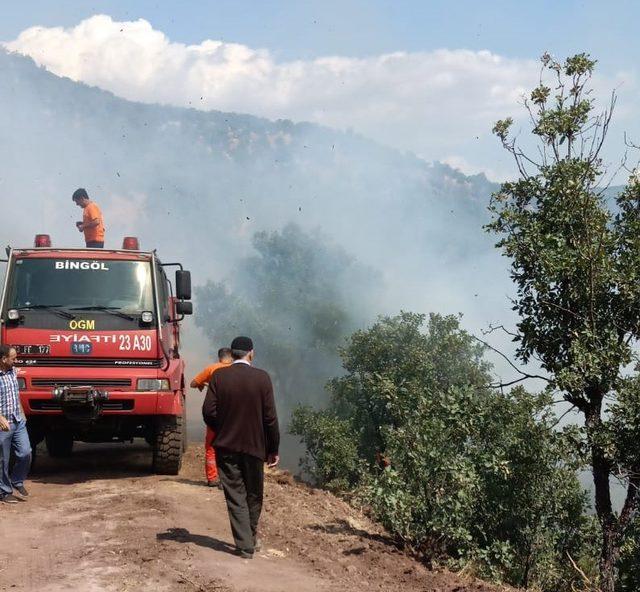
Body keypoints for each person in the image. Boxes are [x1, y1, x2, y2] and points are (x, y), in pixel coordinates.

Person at [202, 336, 279, 559]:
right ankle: (249, 540)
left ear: (233, 353)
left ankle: (246, 544)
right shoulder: (262, 378)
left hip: (226, 447)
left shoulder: (219, 377)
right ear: (250, 353)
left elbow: (208, 412)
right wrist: (273, 448)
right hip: (256, 447)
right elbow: (270, 418)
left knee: (235, 495)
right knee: (254, 494)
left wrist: (223, 428)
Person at [190, 347, 233, 487]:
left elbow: (193, 383)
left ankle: (213, 478)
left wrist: (203, 383)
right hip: (232, 414)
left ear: (219, 357)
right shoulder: (235, 369)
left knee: (211, 447)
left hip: (214, 414)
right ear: (231, 357)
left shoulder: (212, 369)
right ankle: (229, 479)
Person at [0, 345, 32, 504]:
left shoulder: (13, 371)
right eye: (13, 358)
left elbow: (15, 394)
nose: (16, 360)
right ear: (3, 359)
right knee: (3, 460)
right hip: (3, 424)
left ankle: (17, 480)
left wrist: (22, 413)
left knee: (25, 452)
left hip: (18, 421)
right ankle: (4, 492)